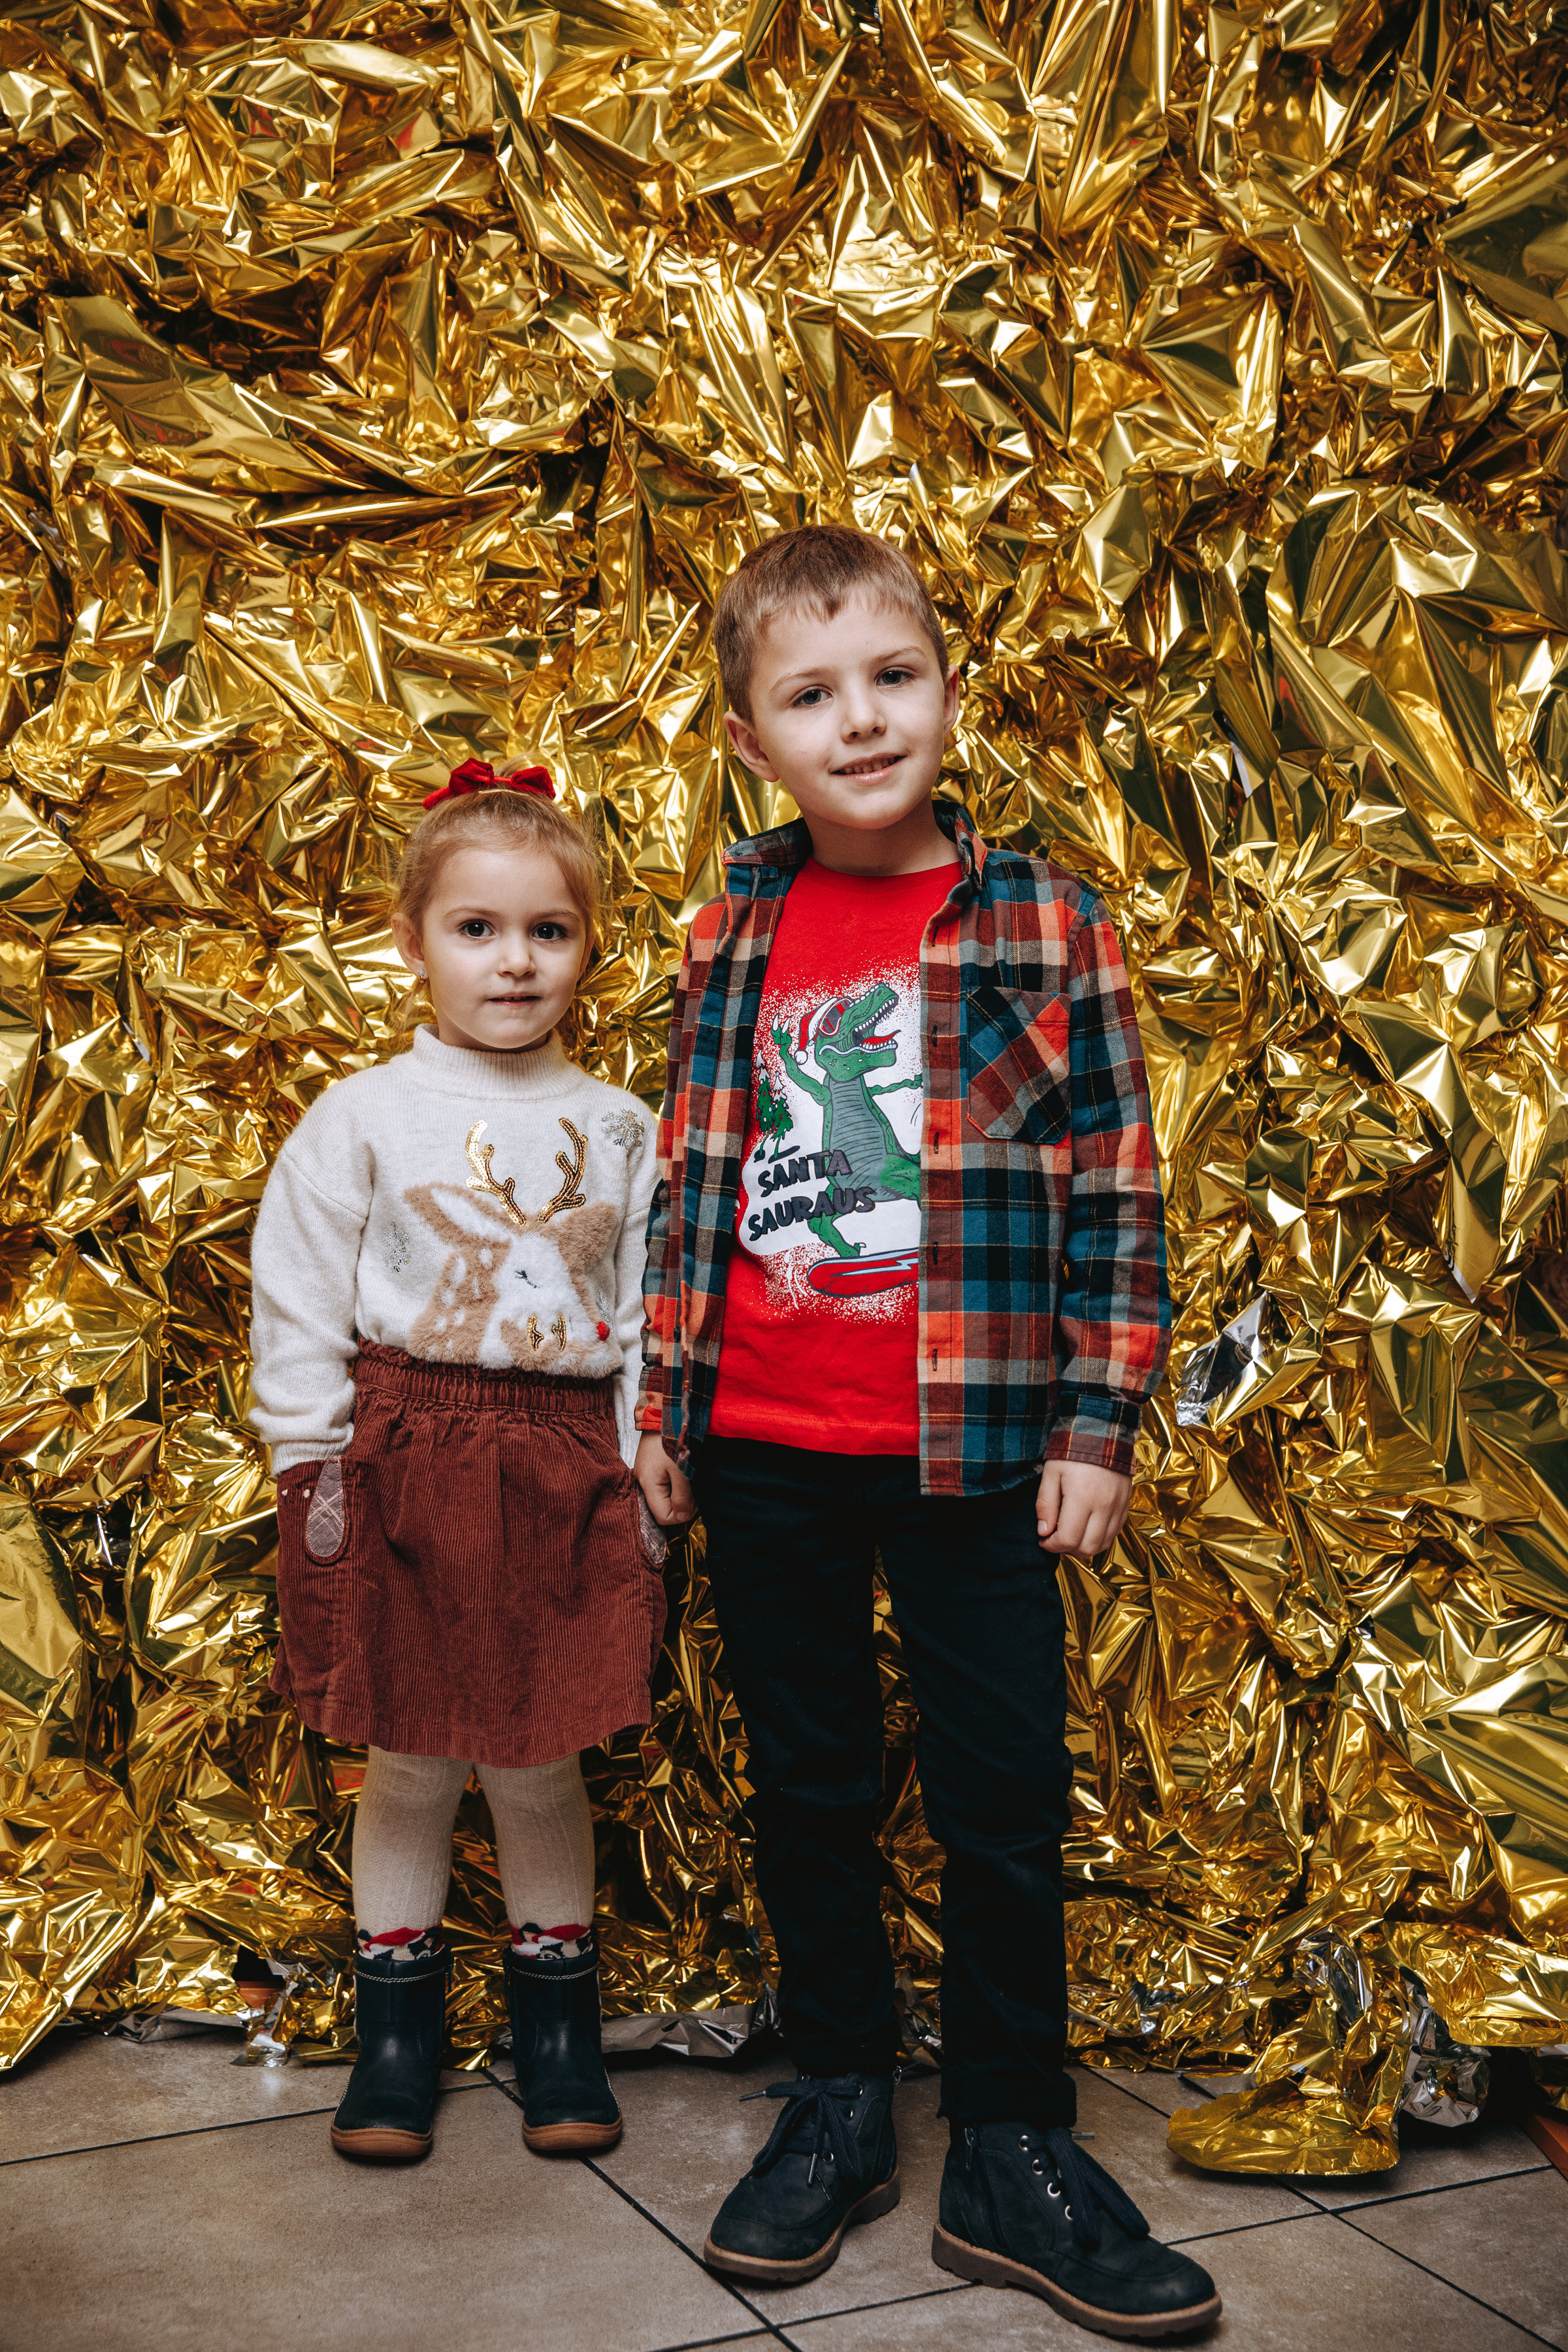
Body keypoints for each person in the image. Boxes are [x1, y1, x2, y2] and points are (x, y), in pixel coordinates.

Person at [633, 525, 1221, 2340]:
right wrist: (660, 1394)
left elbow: (1118, 1178)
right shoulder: (734, 920)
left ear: (948, 693)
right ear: (754, 740)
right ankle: (837, 2102)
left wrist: (1096, 1420)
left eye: (894, 677)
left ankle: (1014, 2142)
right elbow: (688, 1169)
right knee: (806, 1784)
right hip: (761, 1441)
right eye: (813, 695)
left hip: (975, 1450)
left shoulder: (1044, 918)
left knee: (1000, 1807)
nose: (862, 720)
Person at [250, 762, 664, 2166]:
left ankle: (559, 2036)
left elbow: (650, 1314)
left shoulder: (619, 1127)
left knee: (543, 1758)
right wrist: (313, 1467)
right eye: (476, 929)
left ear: (588, 948)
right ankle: (397, 2041)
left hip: (562, 1466)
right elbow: (300, 1296)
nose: (514, 959)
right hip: (406, 1455)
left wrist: (645, 1453)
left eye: (548, 930)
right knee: (412, 1759)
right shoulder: (363, 1115)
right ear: (410, 938)